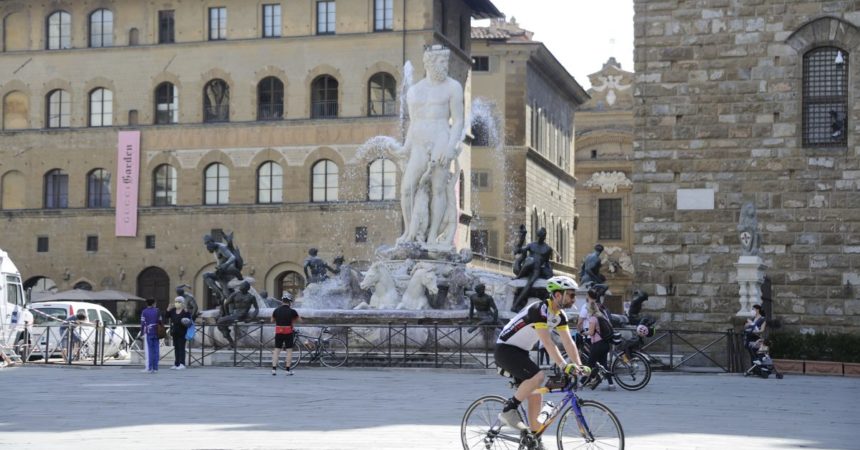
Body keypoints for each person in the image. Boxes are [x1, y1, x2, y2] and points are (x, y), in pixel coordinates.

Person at [494, 276, 589, 445]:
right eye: (571, 295)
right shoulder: (539, 310)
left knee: (537, 394)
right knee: (538, 376)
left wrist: (580, 366)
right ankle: (509, 410)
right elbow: (547, 342)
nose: (573, 299)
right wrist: (564, 365)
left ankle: (534, 439)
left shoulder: (559, 316)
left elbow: (568, 342)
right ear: (558, 295)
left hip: (521, 352)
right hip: (505, 349)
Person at [397, 44, 465, 247]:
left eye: (447, 62)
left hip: (441, 139)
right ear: (431, 63)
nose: (446, 66)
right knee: (407, 188)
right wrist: (405, 148)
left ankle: (432, 235)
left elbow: (459, 121)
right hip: (418, 142)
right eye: (442, 62)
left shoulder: (453, 87)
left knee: (438, 188)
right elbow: (413, 122)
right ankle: (409, 232)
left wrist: (450, 147)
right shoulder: (415, 91)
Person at [511, 227, 554, 312]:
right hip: (528, 267)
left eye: (542, 235)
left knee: (529, 284)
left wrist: (550, 274)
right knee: (530, 261)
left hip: (537, 269)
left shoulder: (548, 249)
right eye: (539, 235)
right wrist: (522, 236)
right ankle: (519, 276)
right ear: (538, 235)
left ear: (544, 236)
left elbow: (546, 262)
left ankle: (515, 305)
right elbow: (519, 250)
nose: (541, 237)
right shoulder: (531, 245)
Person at [582, 294, 616, 391]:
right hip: (605, 344)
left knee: (589, 364)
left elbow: (591, 332)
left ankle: (580, 383)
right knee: (604, 365)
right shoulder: (602, 316)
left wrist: (584, 332)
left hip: (597, 345)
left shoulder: (593, 318)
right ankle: (611, 384)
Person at [203, 233, 244, 303]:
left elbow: (232, 257)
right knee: (205, 275)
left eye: (207, 244)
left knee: (222, 281)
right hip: (222, 272)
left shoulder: (221, 247)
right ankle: (219, 293)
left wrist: (225, 265)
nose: (207, 246)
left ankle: (225, 296)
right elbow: (220, 262)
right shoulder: (215, 250)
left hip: (230, 270)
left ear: (211, 242)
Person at [216, 281, 259, 348]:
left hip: (242, 315)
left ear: (247, 288)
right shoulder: (235, 294)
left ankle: (231, 342)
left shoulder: (251, 297)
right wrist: (227, 313)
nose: (241, 287)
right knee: (220, 322)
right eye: (241, 285)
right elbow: (226, 303)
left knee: (220, 321)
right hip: (235, 315)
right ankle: (230, 340)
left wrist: (252, 317)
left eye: (243, 286)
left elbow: (256, 309)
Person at [271, 292, 301, 376]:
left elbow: (271, 320)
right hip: (288, 331)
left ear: (282, 301)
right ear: (290, 302)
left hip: (279, 331)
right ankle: (287, 370)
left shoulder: (276, 310)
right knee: (289, 351)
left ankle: (274, 369)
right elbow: (299, 320)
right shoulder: (292, 311)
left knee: (277, 350)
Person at [164, 298, 192, 370]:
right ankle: (177, 363)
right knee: (176, 348)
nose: (177, 303)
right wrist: (168, 309)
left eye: (178, 302)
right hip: (174, 332)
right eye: (176, 301)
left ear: (182, 303)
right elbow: (166, 316)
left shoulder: (184, 311)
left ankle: (182, 363)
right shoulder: (173, 310)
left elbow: (189, 320)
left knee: (181, 348)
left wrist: (187, 312)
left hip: (182, 332)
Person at [140, 298, 163, 373]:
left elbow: (143, 323)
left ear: (147, 304)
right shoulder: (157, 311)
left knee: (150, 350)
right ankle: (155, 368)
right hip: (156, 331)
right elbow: (160, 320)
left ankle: (150, 368)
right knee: (156, 350)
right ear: (153, 303)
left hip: (149, 331)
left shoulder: (144, 312)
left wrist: (142, 333)